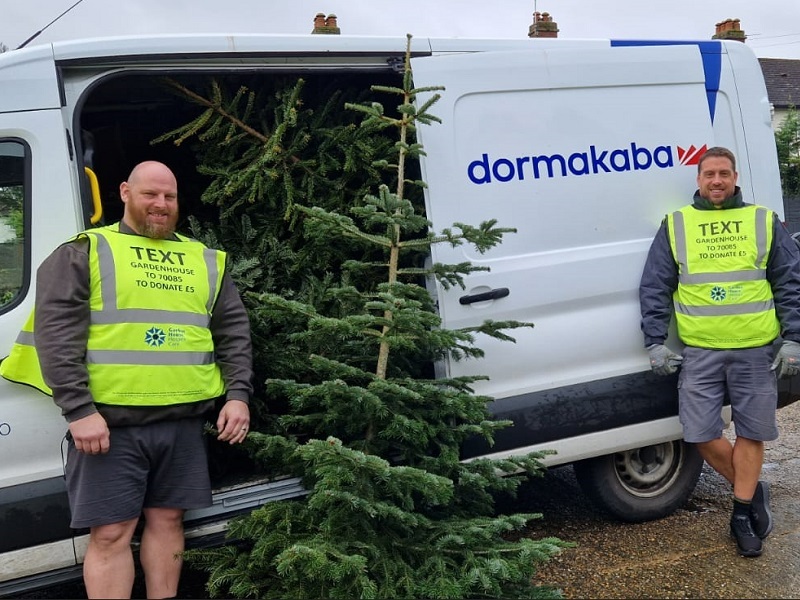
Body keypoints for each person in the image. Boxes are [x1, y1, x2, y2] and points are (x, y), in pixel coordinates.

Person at [1, 161, 254, 598]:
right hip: (108, 426)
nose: (160, 204)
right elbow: (56, 335)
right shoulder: (85, 251)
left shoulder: (204, 260)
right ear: (124, 192)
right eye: (150, 194)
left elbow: (232, 330)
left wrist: (238, 395)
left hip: (180, 422)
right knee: (112, 534)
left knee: (169, 521)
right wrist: (79, 410)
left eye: (169, 197)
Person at [639, 146, 800, 558]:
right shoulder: (676, 224)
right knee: (701, 435)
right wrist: (655, 341)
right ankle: (751, 486)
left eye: (723, 174)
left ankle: (741, 513)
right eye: (709, 174)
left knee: (752, 432)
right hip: (700, 352)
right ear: (698, 179)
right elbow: (656, 285)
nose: (716, 181)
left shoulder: (761, 220)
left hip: (755, 350)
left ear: (734, 177)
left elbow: (789, 282)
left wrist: (794, 337)